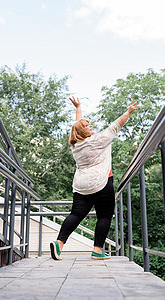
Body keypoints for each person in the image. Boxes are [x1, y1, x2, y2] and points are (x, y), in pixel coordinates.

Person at [50, 97, 138, 260]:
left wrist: (78, 107)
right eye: (88, 126)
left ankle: (59, 243)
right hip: (102, 182)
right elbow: (116, 125)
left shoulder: (76, 145)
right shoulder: (98, 140)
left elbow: (77, 125)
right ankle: (97, 250)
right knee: (104, 216)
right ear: (83, 131)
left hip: (82, 185)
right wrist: (129, 112)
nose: (91, 126)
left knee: (76, 214)